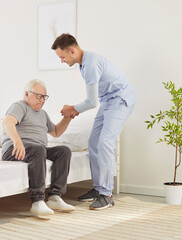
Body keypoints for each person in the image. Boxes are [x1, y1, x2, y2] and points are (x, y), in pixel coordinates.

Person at [52, 33, 136, 210]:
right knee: (93, 142)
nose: (61, 61)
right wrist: (73, 109)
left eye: (62, 57)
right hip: (107, 101)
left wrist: (71, 109)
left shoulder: (90, 64)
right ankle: (99, 188)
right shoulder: (83, 64)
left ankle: (107, 194)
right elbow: (94, 100)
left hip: (120, 100)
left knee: (105, 141)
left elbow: (91, 102)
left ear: (72, 50)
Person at [1, 79, 75, 217]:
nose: (42, 100)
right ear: (26, 94)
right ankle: (37, 201)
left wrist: (67, 118)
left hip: (36, 149)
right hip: (14, 148)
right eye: (38, 96)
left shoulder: (43, 114)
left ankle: (55, 197)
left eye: (44, 97)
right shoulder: (20, 106)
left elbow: (56, 132)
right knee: (38, 149)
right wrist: (17, 142)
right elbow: (7, 122)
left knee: (63, 151)